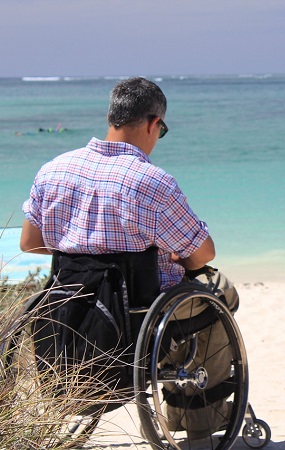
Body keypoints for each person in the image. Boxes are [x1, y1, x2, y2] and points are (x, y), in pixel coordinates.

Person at [20, 77, 234, 439]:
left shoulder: (53, 170)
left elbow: (30, 243)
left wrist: (86, 252)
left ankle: (181, 410)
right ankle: (198, 421)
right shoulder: (152, 182)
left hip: (72, 307)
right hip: (141, 312)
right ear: (153, 123)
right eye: (160, 131)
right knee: (221, 296)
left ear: (112, 117)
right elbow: (203, 254)